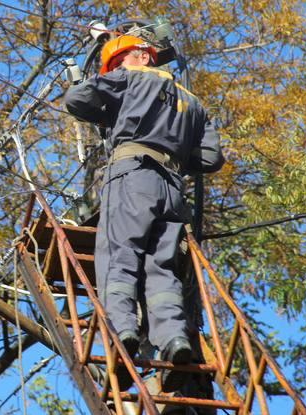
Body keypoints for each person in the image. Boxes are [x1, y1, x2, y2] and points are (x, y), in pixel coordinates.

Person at [65, 35, 224, 392]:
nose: (117, 70)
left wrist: (107, 109)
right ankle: (173, 341)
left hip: (132, 175)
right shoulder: (193, 102)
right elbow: (211, 158)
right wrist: (175, 152)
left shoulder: (131, 78)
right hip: (172, 188)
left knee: (119, 257)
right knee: (161, 269)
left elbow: (76, 99)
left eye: (119, 62)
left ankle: (124, 334)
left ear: (141, 56)